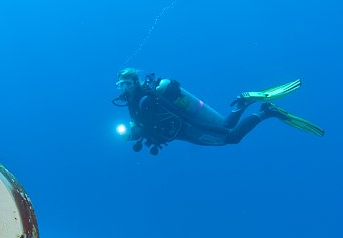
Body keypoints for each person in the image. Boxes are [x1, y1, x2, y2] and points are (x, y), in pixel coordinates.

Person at [113, 68, 324, 155]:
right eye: (120, 84)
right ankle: (246, 102)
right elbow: (145, 125)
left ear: (135, 83)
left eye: (127, 83)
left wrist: (138, 132)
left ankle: (266, 111)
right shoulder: (135, 102)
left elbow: (172, 117)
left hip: (185, 128)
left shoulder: (144, 100)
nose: (123, 88)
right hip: (179, 131)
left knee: (230, 137)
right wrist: (133, 132)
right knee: (227, 127)